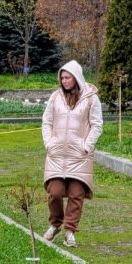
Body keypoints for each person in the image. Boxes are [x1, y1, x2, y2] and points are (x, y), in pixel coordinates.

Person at [41, 60, 103, 247]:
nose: (64, 81)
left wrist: (87, 146)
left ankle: (70, 231)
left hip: (79, 156)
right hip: (57, 154)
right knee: (55, 192)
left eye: (67, 77)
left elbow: (97, 124)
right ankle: (55, 224)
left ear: (76, 78)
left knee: (77, 194)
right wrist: (49, 143)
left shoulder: (91, 98)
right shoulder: (55, 97)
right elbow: (46, 122)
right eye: (62, 78)